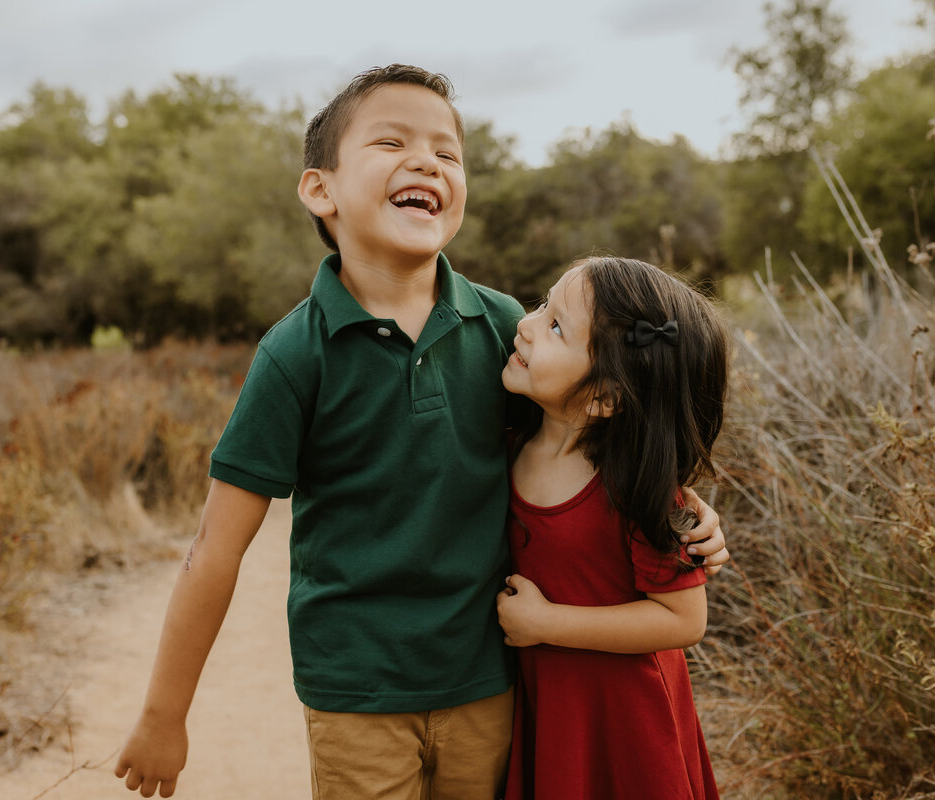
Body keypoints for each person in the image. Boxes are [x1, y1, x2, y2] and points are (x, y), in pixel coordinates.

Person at [115, 65, 730, 799]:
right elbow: (214, 549)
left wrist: (687, 511)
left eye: (448, 151)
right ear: (322, 189)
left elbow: (605, 425)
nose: (426, 161)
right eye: (392, 141)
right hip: (358, 690)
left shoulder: (506, 328)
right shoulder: (296, 355)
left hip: (491, 679)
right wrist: (164, 714)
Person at [496, 255, 728, 799]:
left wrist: (548, 623)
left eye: (554, 326)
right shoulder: (506, 442)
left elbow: (682, 621)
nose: (525, 325)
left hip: (627, 716)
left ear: (604, 397)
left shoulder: (637, 493)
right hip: (549, 701)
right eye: (540, 306)